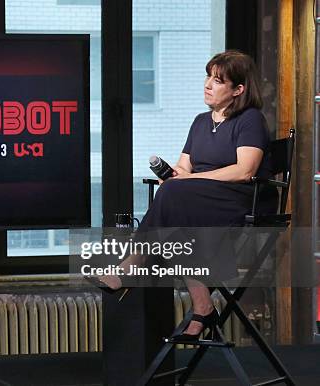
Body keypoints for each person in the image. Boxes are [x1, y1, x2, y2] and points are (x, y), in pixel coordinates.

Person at [89, 50, 277, 341]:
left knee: (176, 200)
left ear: (238, 89)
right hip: (197, 202)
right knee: (174, 200)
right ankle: (203, 309)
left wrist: (187, 180)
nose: (208, 84)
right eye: (208, 77)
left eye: (218, 81)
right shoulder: (201, 121)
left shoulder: (250, 119)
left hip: (240, 199)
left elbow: (245, 170)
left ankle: (133, 265)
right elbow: (183, 167)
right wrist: (173, 175)